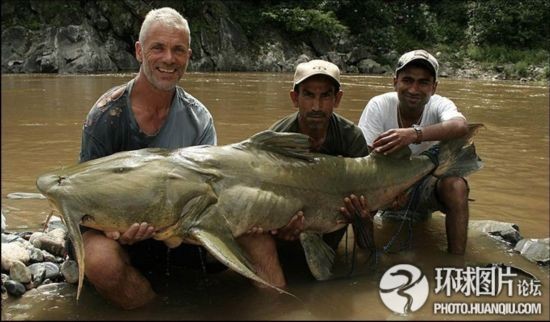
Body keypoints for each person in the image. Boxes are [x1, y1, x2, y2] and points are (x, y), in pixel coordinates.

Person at [79, 7, 219, 310]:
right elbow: (84, 200)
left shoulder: (199, 120)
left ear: (188, 56)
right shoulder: (107, 115)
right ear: (140, 52)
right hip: (114, 231)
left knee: (248, 235)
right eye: (158, 47)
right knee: (100, 261)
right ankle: (153, 312)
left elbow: (207, 194)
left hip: (177, 230)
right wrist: (114, 229)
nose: (169, 58)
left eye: (178, 50)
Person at [239, 60, 372, 287]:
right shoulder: (276, 138)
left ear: (337, 99)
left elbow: (369, 192)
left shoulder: (352, 138)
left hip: (333, 218)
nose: (316, 106)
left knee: (367, 240)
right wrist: (278, 228)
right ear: (294, 98)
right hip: (288, 224)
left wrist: (363, 216)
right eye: (308, 95)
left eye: (325, 96)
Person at [357, 49, 470, 255]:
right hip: (386, 181)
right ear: (395, 82)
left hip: (426, 182)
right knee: (360, 195)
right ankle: (367, 259)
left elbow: (461, 127)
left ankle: (456, 260)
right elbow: (365, 159)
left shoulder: (440, 105)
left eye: (423, 82)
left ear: (434, 87)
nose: (414, 89)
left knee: (457, 187)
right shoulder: (379, 105)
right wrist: (393, 189)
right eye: (407, 80)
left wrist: (414, 134)